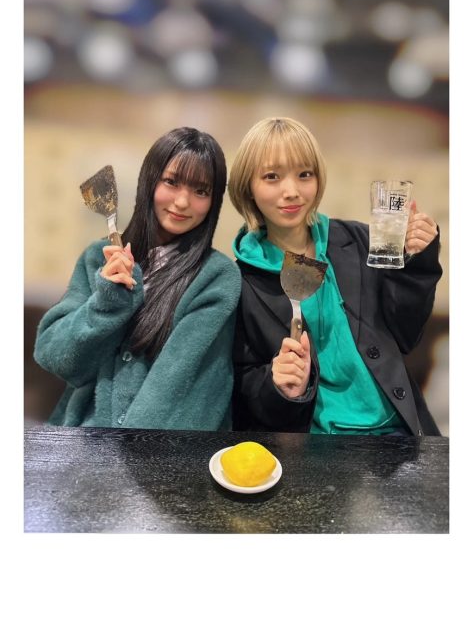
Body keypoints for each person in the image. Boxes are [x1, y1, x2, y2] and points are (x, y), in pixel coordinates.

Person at [228, 117, 442, 435]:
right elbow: (243, 385)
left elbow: (405, 335)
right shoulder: (241, 279)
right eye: (272, 177)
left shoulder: (358, 241)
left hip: (396, 429)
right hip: (317, 442)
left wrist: (418, 259)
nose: (292, 191)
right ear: (248, 186)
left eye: (305, 174)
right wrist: (278, 385)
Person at [34, 127, 241, 430]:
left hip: (153, 449)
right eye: (171, 182)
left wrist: (125, 453)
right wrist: (106, 302)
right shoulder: (98, 258)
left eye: (201, 191)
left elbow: (181, 387)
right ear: (149, 181)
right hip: (79, 438)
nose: (183, 201)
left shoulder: (216, 277)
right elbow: (56, 359)